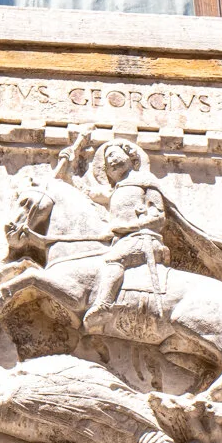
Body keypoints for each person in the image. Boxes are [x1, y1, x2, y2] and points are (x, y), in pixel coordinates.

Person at [82, 140, 170, 334]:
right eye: (107, 160)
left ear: (131, 157)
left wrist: (128, 226)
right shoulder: (116, 191)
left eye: (115, 154)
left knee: (113, 260)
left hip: (144, 239)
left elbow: (159, 217)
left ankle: (103, 305)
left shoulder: (145, 182)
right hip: (123, 241)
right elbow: (87, 192)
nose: (111, 161)